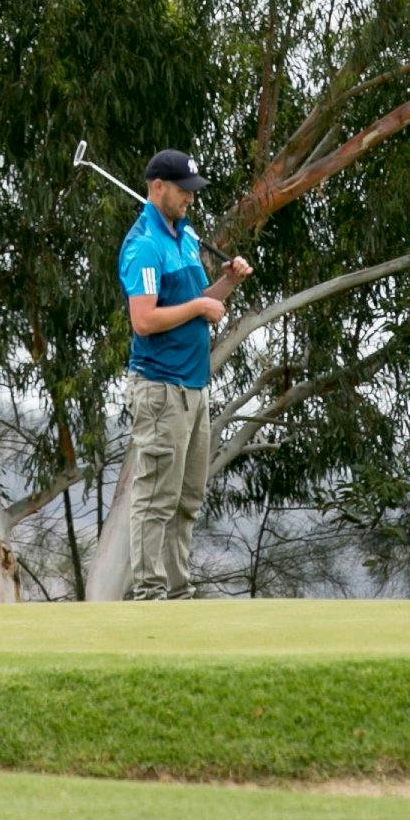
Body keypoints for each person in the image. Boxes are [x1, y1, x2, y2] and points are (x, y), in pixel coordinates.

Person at [104, 149, 249, 601]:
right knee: (155, 498)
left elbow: (197, 306)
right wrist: (202, 307)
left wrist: (226, 285)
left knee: (187, 500)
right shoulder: (143, 245)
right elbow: (144, 320)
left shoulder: (184, 239)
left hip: (194, 388)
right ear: (158, 188)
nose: (190, 198)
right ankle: (150, 593)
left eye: (192, 191)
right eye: (183, 191)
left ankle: (180, 591)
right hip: (161, 388)